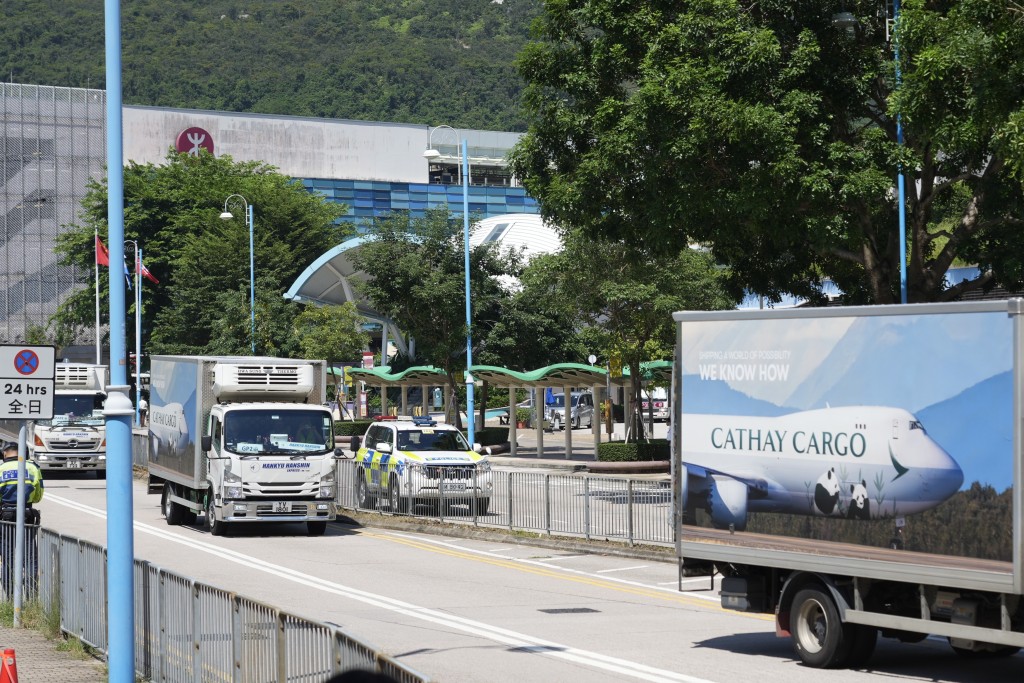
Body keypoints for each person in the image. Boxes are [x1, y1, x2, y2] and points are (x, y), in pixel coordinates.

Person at [0, 441, 44, 597]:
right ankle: (31, 597)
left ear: (4, 453)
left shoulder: (1, 469)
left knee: (8, 559)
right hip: (27, 515)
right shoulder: (32, 468)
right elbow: (38, 495)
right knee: (30, 558)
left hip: (5, 516)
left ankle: (11, 598)